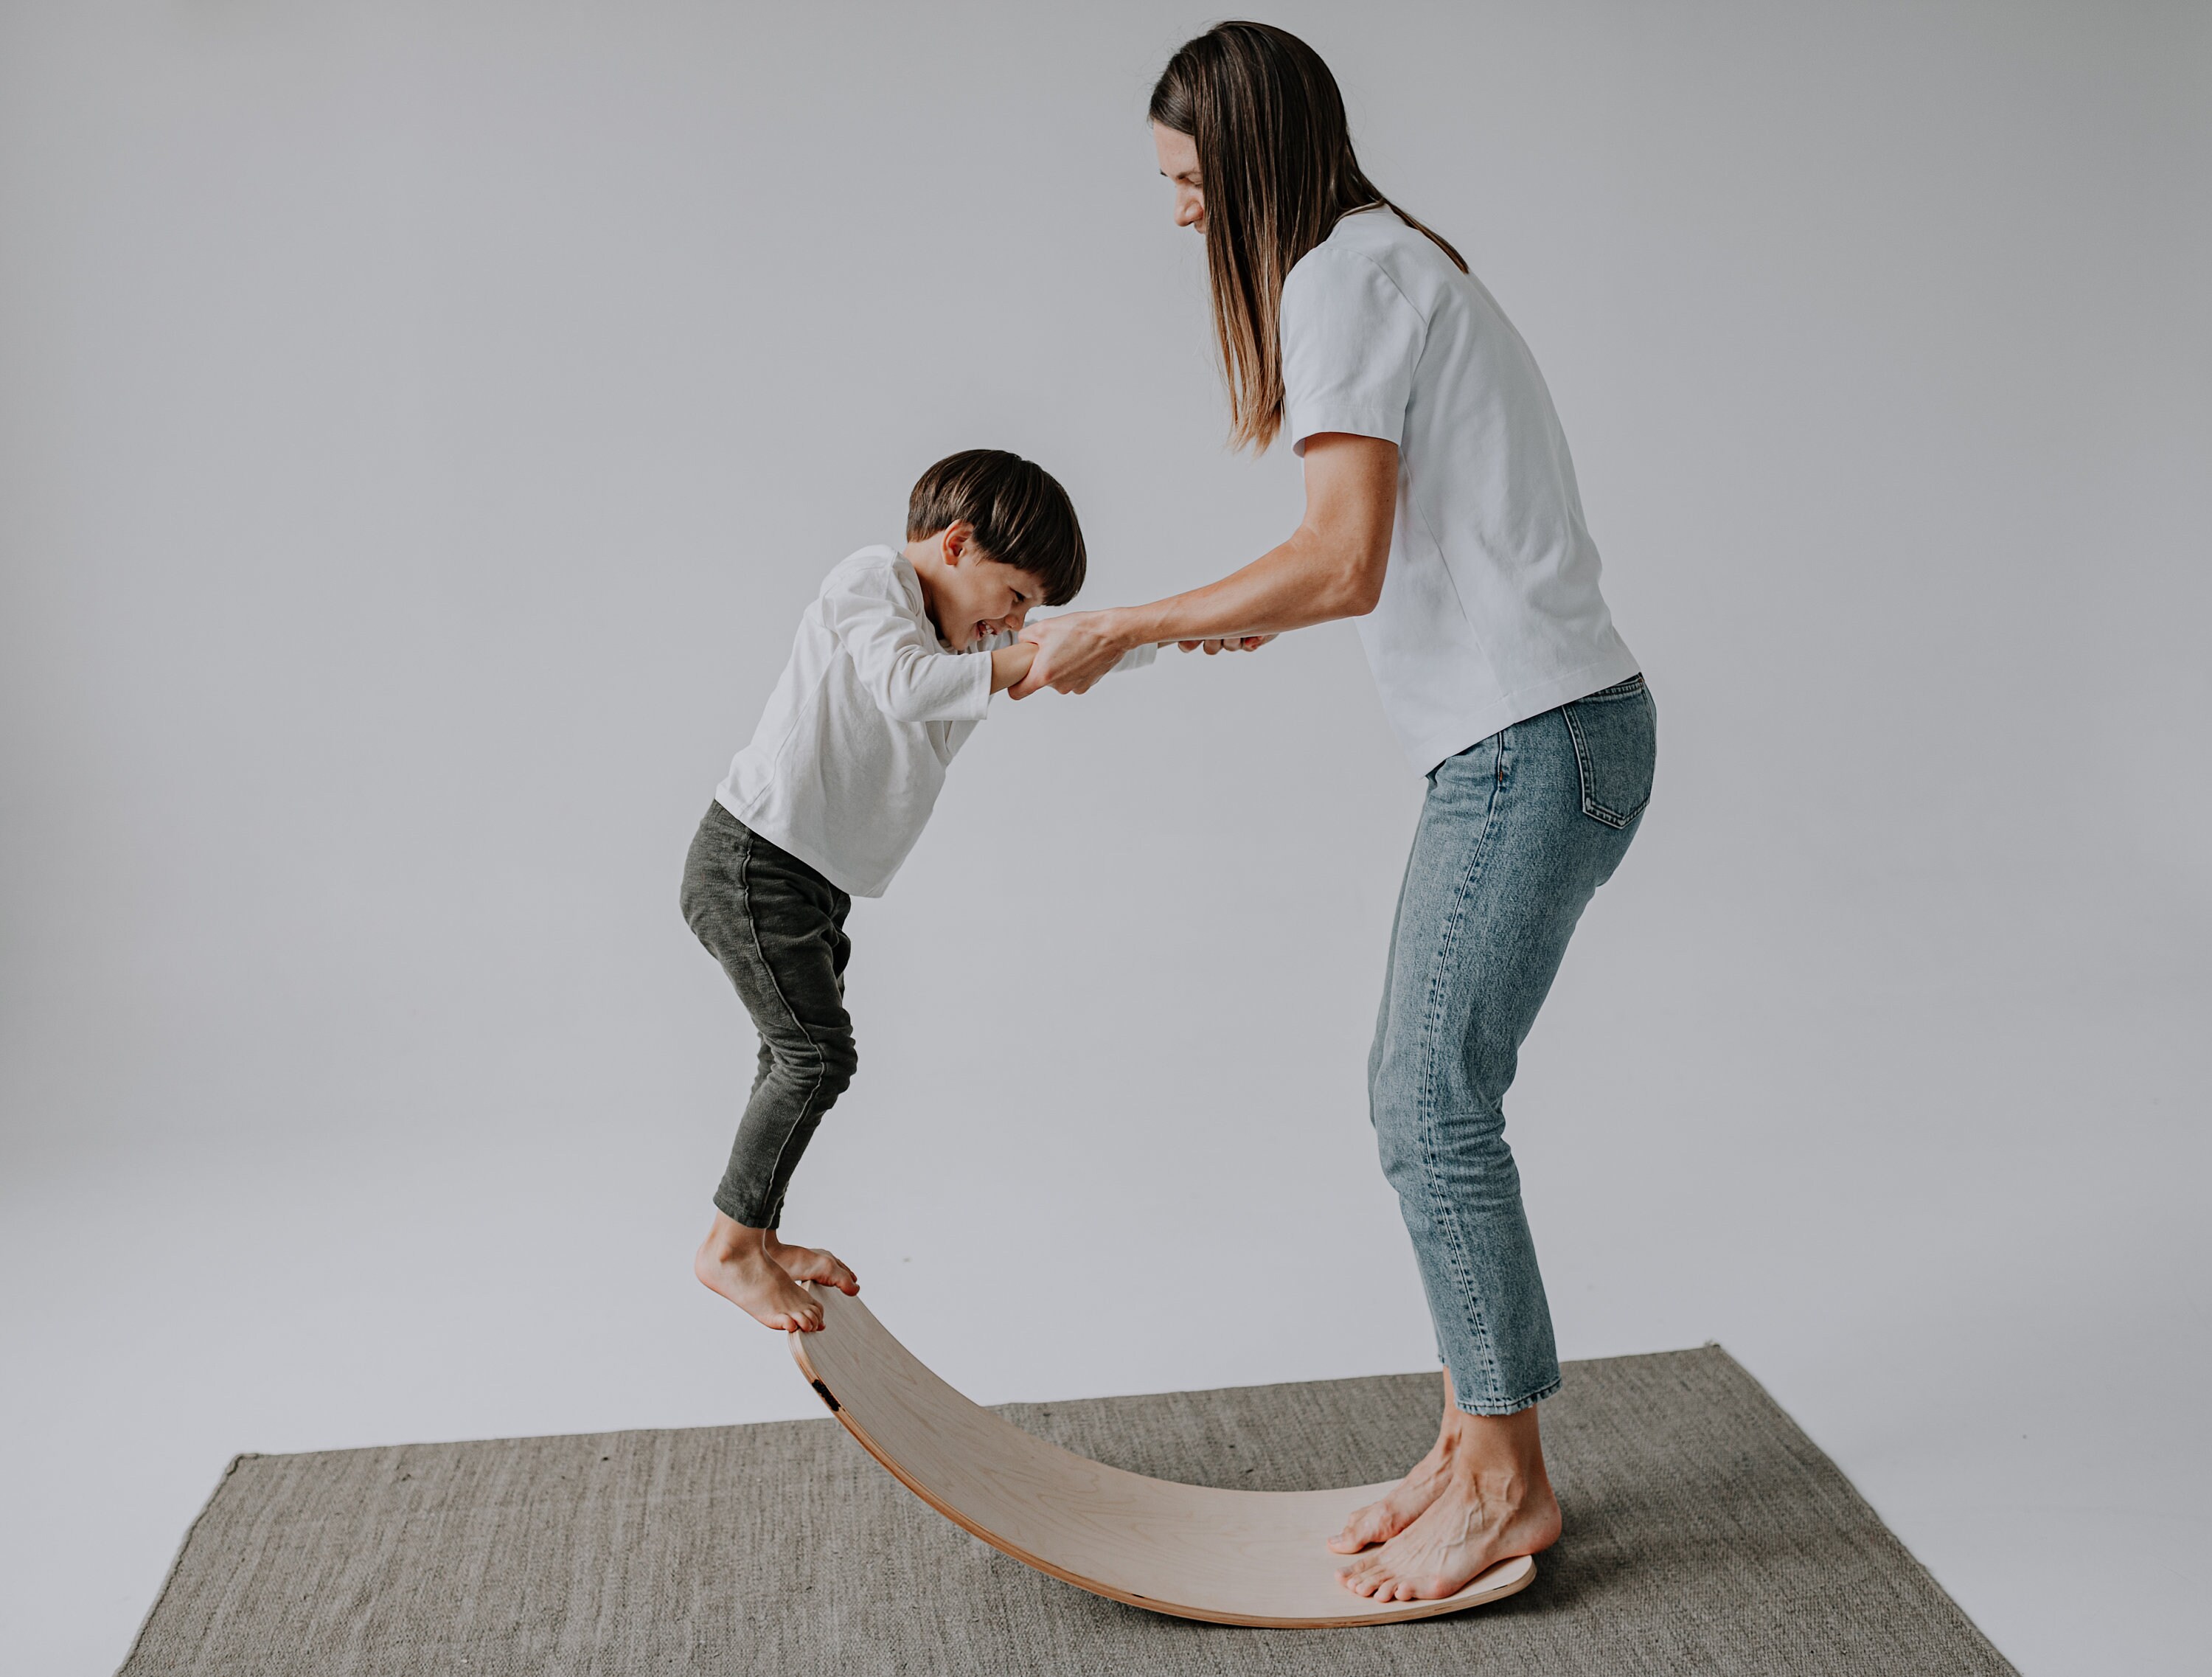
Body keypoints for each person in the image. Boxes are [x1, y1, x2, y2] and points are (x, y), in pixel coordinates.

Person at [1013, 23, 1659, 1603]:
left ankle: (1507, 1483)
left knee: (1425, 1099)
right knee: (1427, 1091)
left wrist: (1125, 624)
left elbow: (1344, 558)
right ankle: (1467, 1445)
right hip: (1545, 736)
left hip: (1531, 741)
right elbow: (1359, 547)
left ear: (1246, 167)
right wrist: (1254, 605)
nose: (1176, 215)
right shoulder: (1382, 257)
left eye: (1185, 182)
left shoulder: (1336, 278)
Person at [681, 449, 1155, 1333]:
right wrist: (1021, 660)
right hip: (754, 859)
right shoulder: (873, 583)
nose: (1013, 620)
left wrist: (1161, 635)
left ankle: (757, 1231)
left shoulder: (967, 637)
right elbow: (905, 688)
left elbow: (1065, 649)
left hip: (815, 882)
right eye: (1012, 594)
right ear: (959, 543)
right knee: (816, 1058)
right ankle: (728, 1250)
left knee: (789, 1058)